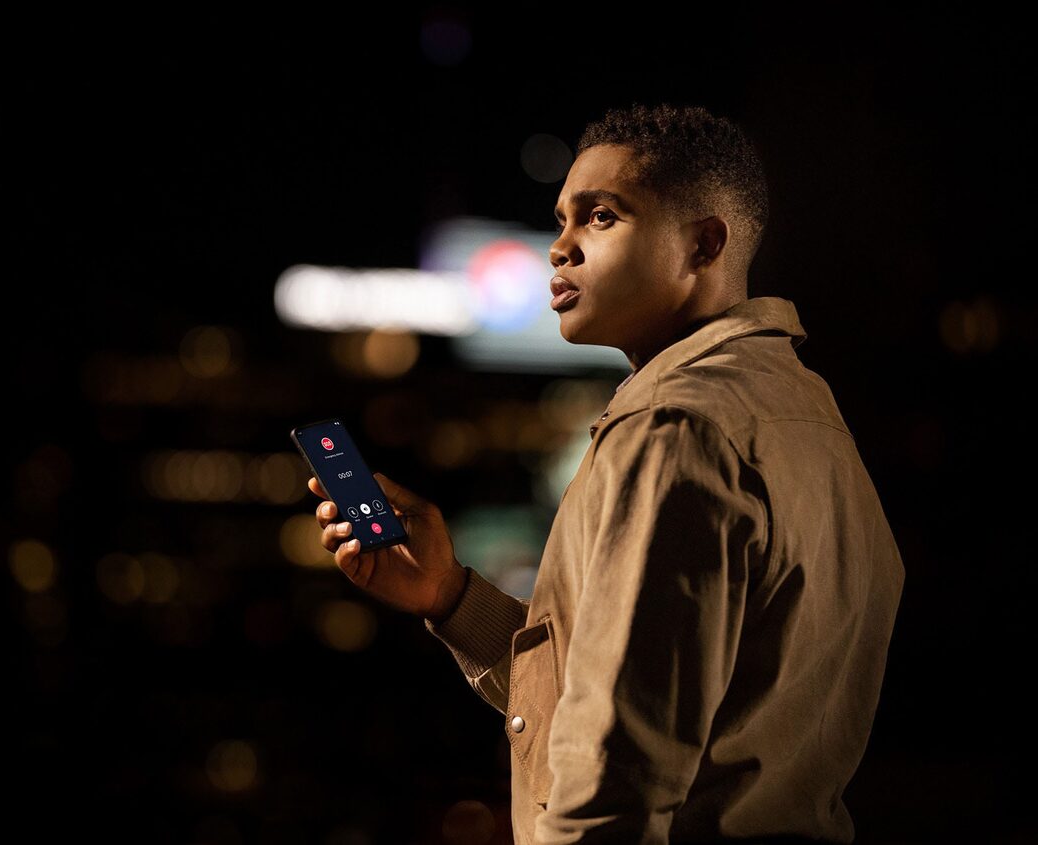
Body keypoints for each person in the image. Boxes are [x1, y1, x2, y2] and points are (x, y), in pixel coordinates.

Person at [307, 102, 905, 844]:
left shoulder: (672, 425)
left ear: (702, 244)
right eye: (560, 221)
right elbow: (649, 692)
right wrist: (451, 596)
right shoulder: (804, 408)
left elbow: (618, 780)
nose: (559, 249)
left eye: (600, 217)